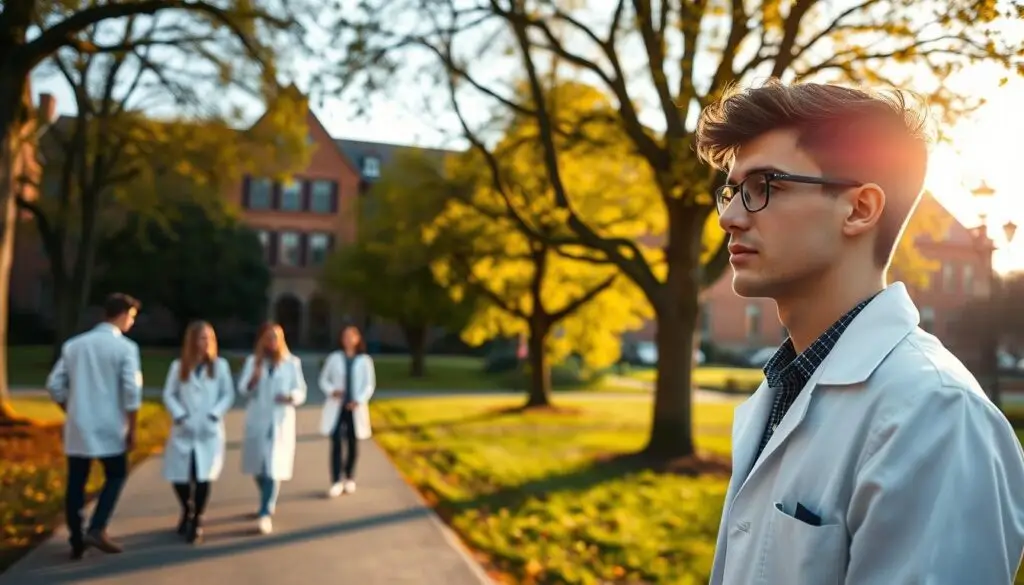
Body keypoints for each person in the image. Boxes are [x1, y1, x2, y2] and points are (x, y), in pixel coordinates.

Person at [695, 79, 1024, 584]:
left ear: (860, 209)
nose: (730, 218)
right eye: (731, 191)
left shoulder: (935, 416)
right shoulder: (785, 384)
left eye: (764, 188)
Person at [46, 293, 143, 560]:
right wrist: (132, 428)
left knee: (76, 481)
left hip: (79, 425)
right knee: (116, 474)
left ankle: (76, 538)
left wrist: (72, 408)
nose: (131, 324)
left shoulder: (74, 346)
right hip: (110, 426)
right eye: (131, 317)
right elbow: (132, 391)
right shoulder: (125, 349)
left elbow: (54, 385)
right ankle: (97, 527)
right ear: (123, 315)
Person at [161, 321, 235, 544]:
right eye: (201, 338)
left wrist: (214, 414)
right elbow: (169, 394)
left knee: (203, 476)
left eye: (208, 338)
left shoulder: (220, 366)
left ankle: (197, 520)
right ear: (192, 341)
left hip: (208, 430)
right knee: (180, 477)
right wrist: (179, 414)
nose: (205, 342)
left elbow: (227, 395)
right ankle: (187, 508)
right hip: (184, 428)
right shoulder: (179, 366)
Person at [237, 321, 306, 535]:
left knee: (272, 466)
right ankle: (268, 497)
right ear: (262, 340)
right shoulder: (253, 362)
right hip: (258, 420)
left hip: (280, 420)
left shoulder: (291, 363)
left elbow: (301, 391)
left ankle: (265, 511)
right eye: (268, 337)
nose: (272, 341)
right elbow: (242, 389)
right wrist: (253, 379)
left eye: (276, 337)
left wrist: (290, 397)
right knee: (258, 468)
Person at [318, 324, 377, 497]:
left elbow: (369, 385)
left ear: (358, 339)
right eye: (345, 336)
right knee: (336, 440)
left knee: (352, 442)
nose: (348, 340)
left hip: (355, 407)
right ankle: (336, 480)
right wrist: (332, 390)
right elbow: (323, 379)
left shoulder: (365, 361)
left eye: (351, 336)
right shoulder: (334, 358)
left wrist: (358, 400)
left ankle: (349, 477)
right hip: (337, 405)